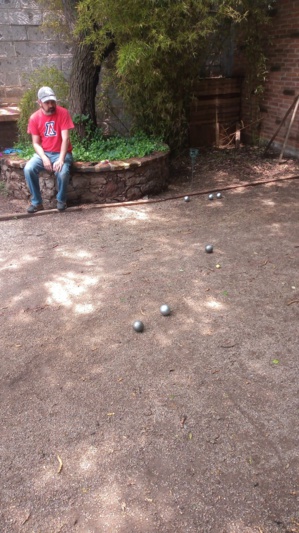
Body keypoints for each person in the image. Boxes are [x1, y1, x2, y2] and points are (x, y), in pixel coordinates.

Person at [24, 86, 74, 213]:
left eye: (53, 101)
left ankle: (61, 201)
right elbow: (35, 143)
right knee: (29, 169)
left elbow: (65, 139)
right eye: (47, 102)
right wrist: (44, 158)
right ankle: (37, 203)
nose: (51, 105)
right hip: (44, 153)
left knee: (62, 172)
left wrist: (61, 159)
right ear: (39, 102)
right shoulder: (34, 118)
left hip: (62, 152)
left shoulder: (63, 113)